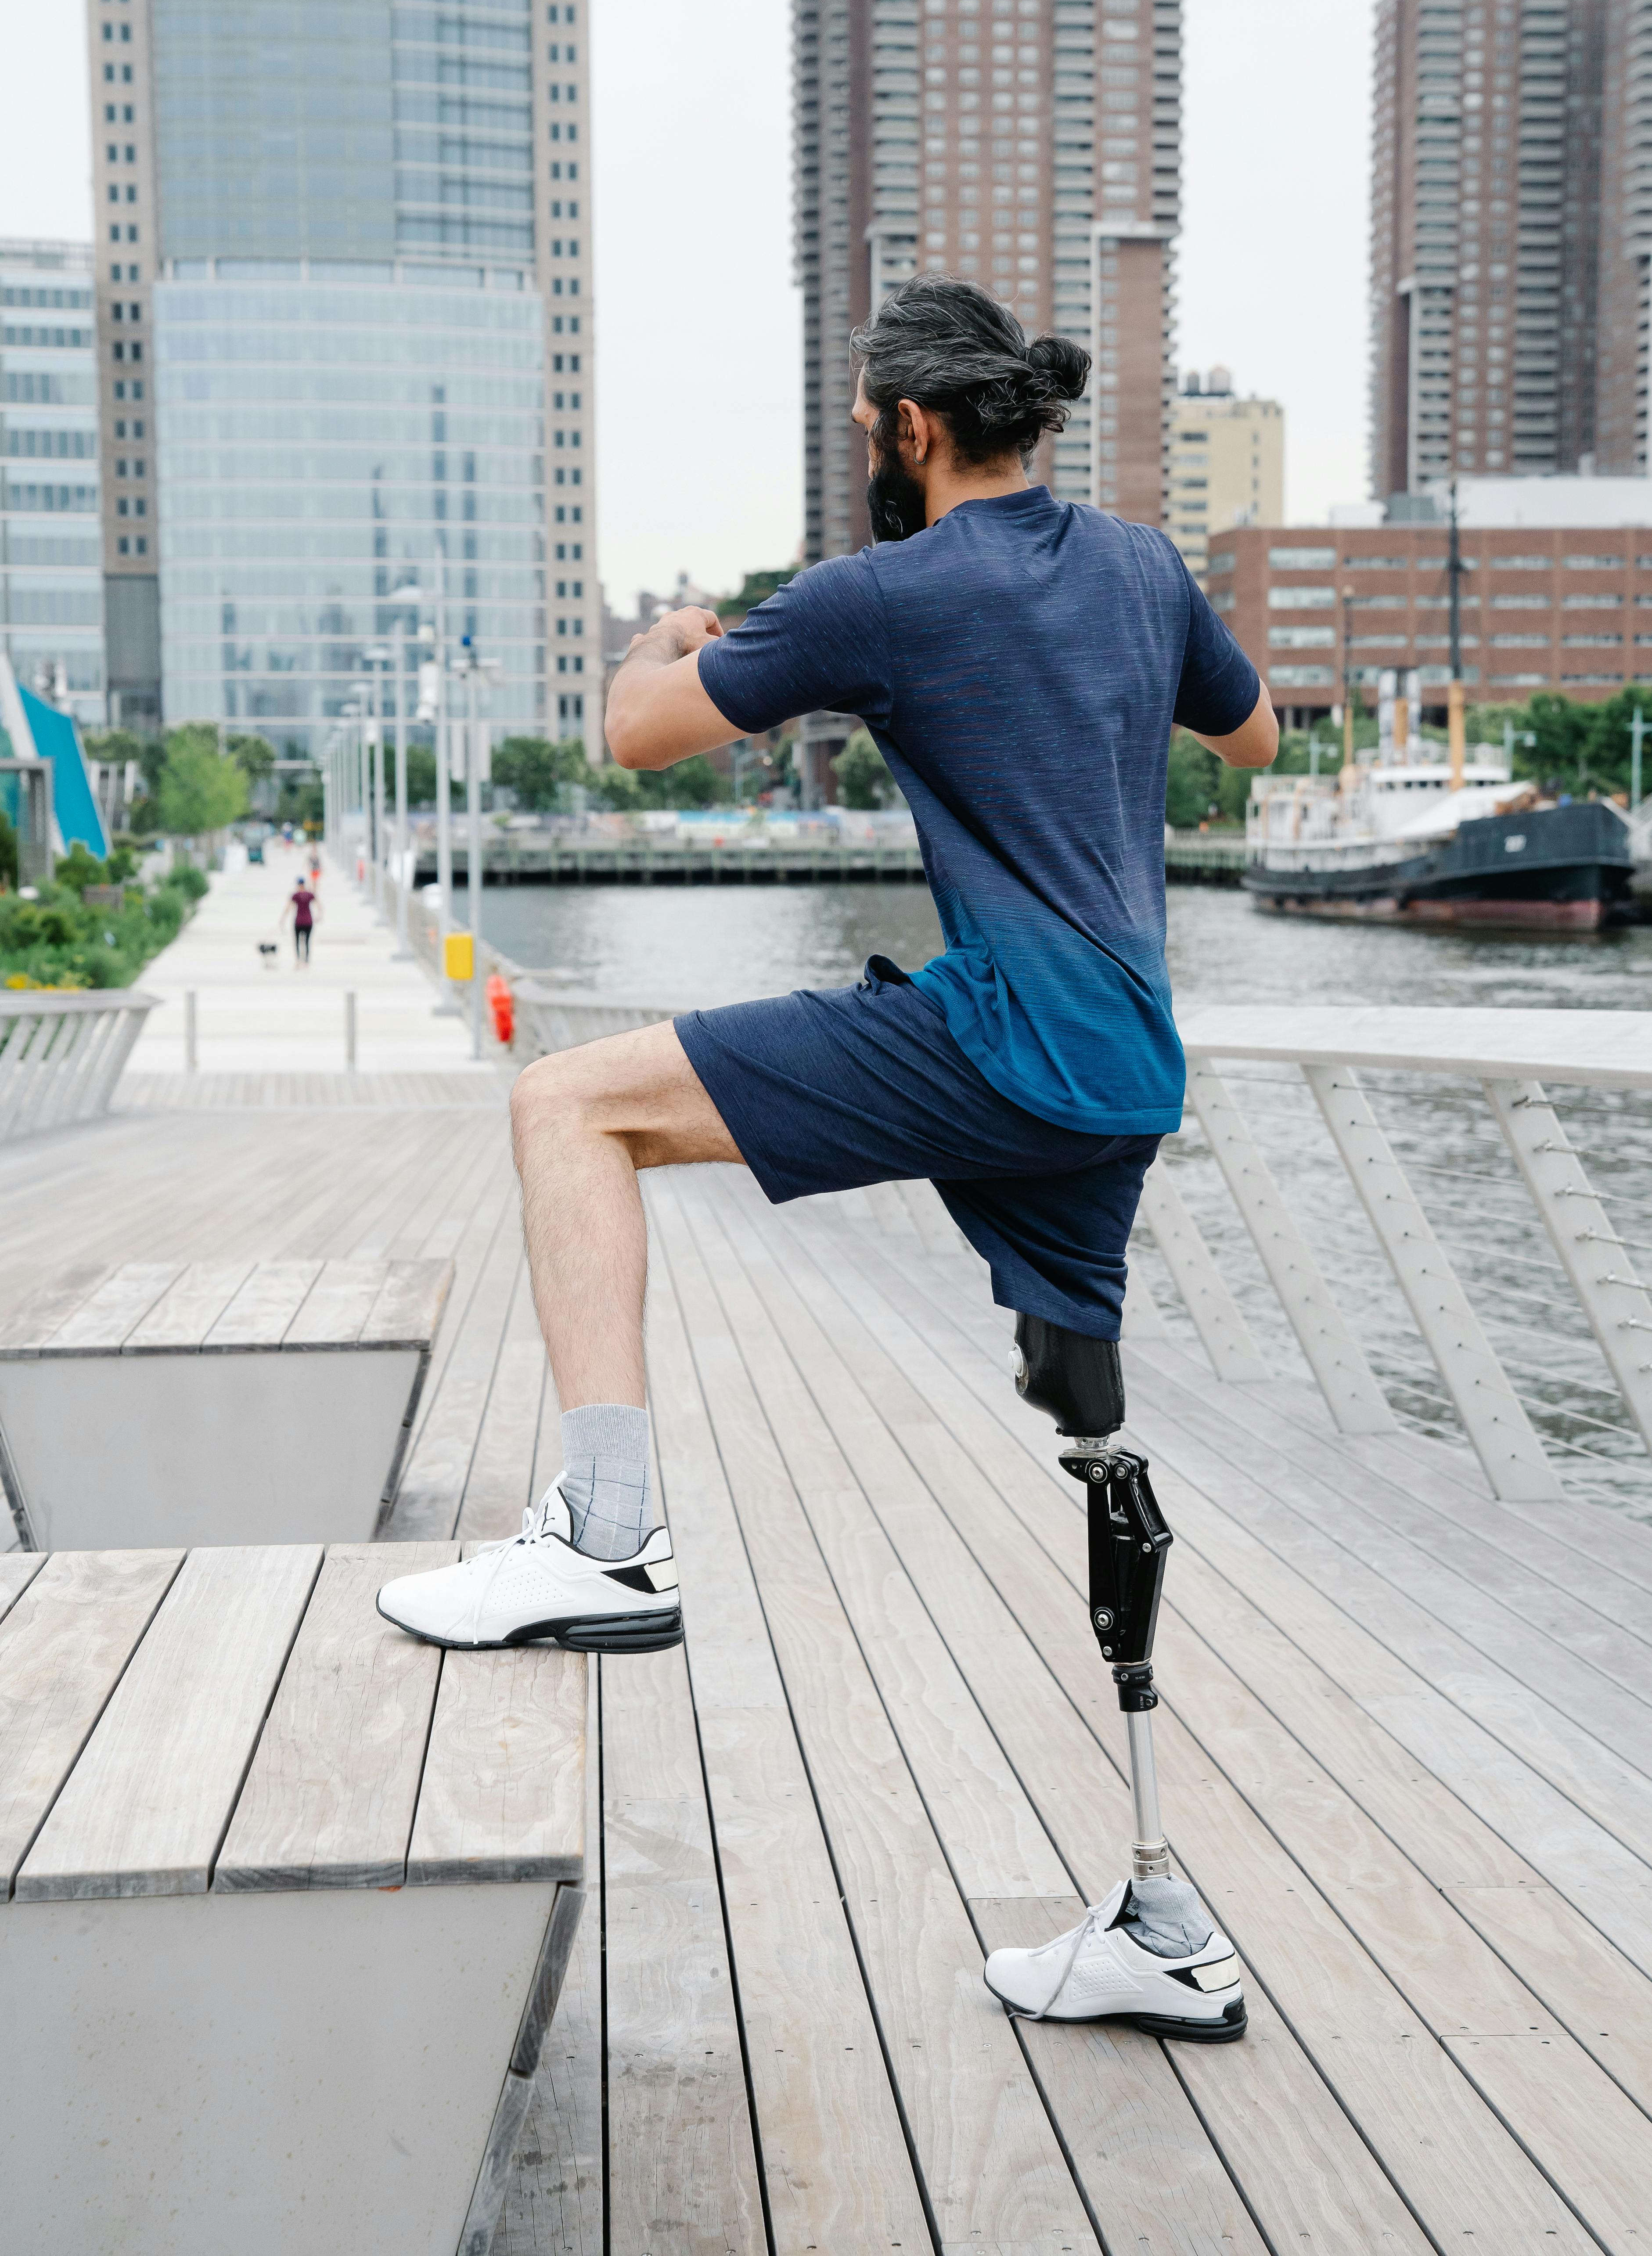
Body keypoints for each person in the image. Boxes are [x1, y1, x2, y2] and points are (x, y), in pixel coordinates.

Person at [377, 277, 1276, 2032]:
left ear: (910, 430)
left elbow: (631, 734)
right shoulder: (1144, 568)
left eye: (865, 422)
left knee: (568, 1102)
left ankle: (607, 1537)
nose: (861, 443)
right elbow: (1247, 733)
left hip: (1006, 1038)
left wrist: (663, 640)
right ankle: (1163, 1913)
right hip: (1122, 1073)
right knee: (1088, 1423)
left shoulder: (878, 591)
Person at [284, 876, 318, 965]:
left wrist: (283, 919)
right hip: (308, 921)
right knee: (307, 942)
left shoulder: (296, 895)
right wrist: (319, 916)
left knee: (298, 942)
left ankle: (299, 960)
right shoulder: (309, 894)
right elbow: (318, 904)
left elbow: (289, 907)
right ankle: (306, 961)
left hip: (299, 922)